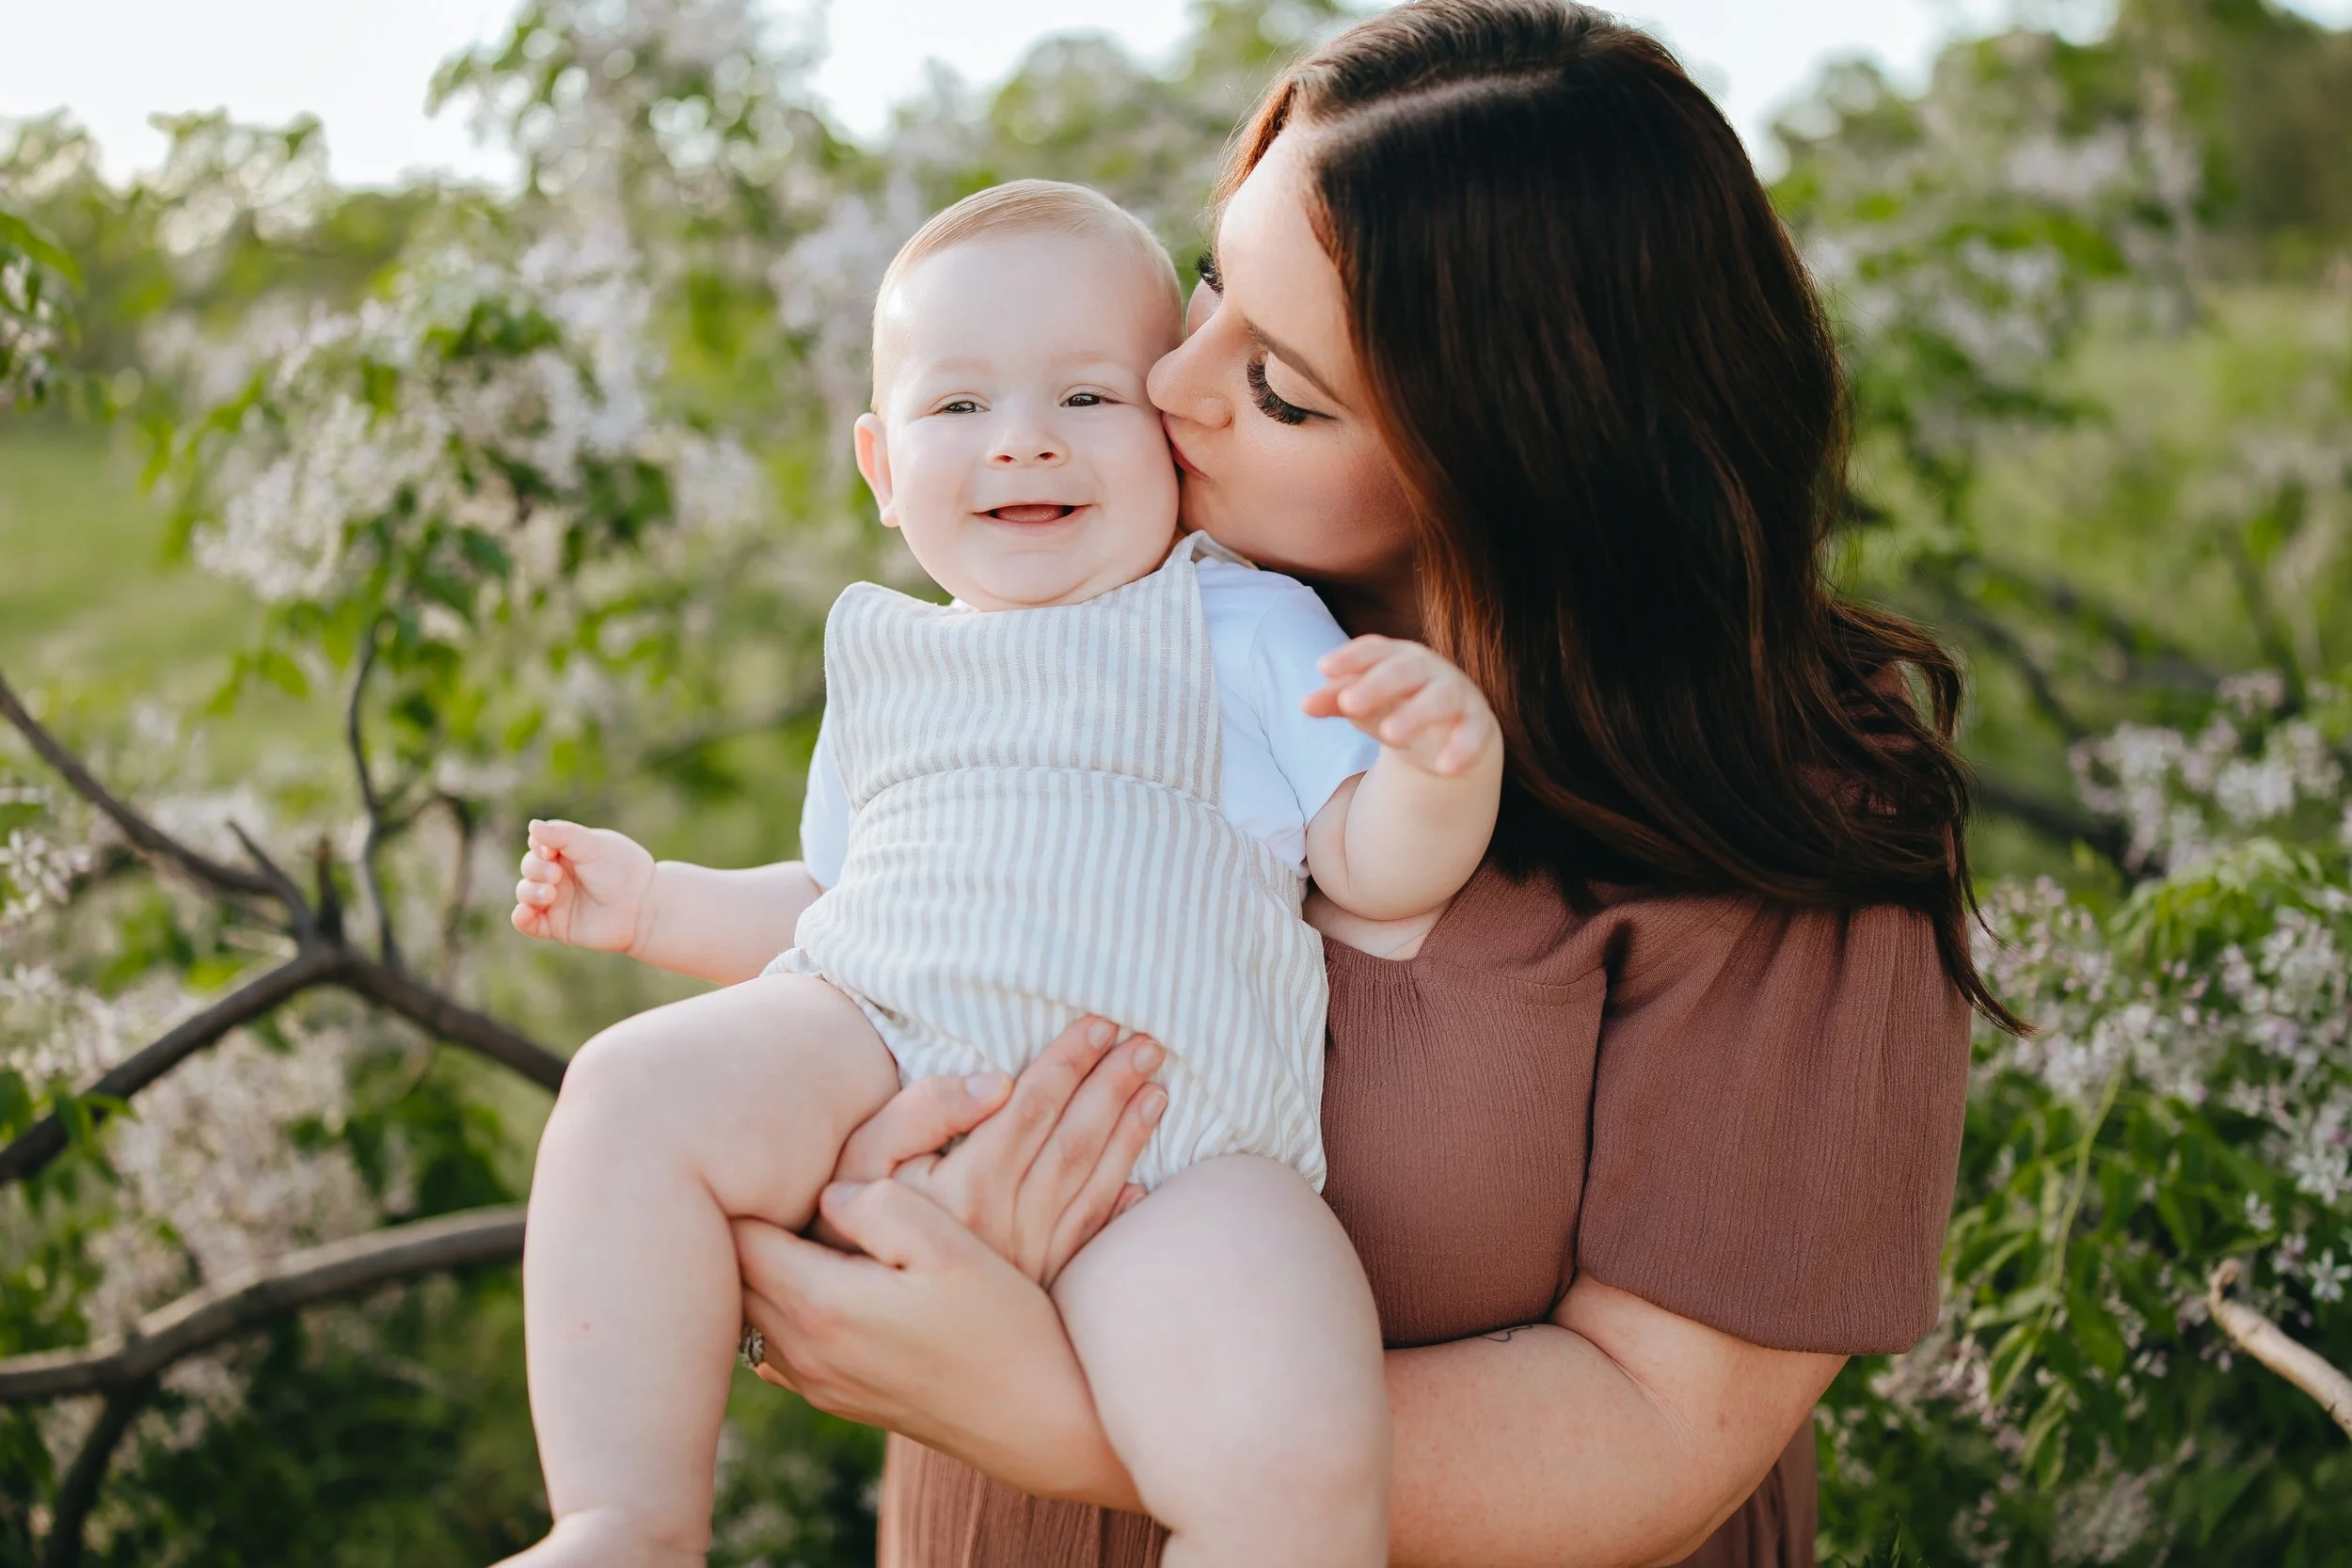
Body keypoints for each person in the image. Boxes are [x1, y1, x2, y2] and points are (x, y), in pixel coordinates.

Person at [724, 2, 2010, 1565]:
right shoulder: (1107, 609)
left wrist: (1056, 1402)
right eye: (1209, 288)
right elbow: (866, 982)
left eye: (1280, 387)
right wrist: (847, 1206)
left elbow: (1656, 1425)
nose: (1169, 385)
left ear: (1515, 458)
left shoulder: (1795, 815)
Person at [501, 180, 1504, 1568]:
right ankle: (624, 1521)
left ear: (1172, 431)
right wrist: (661, 904)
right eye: (959, 408)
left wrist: (1441, 772)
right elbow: (836, 906)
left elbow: (1368, 869)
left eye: (1088, 399)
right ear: (879, 464)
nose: (1023, 442)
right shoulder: (892, 664)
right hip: (886, 1054)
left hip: (1176, 1139)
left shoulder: (1235, 619)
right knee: (625, 1089)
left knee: (1299, 1435)